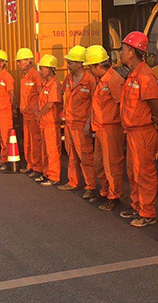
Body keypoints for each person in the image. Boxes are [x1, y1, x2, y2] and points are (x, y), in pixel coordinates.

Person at [119, 32, 158, 228]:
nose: (120, 52)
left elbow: (155, 107)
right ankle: (137, 206)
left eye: (123, 49)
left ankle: (147, 212)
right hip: (132, 131)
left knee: (144, 172)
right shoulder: (133, 75)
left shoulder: (145, 76)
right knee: (133, 172)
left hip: (143, 132)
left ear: (132, 52)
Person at [84, 45, 125, 211]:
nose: (90, 71)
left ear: (99, 66)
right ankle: (105, 191)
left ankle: (114, 196)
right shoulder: (101, 80)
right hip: (101, 127)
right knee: (100, 163)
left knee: (112, 164)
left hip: (111, 128)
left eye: (91, 68)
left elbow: (121, 105)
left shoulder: (114, 80)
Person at [59, 45, 97, 199]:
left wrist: (89, 122)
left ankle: (91, 186)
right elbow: (64, 95)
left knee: (85, 156)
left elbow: (95, 104)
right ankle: (73, 181)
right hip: (69, 122)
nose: (68, 65)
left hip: (82, 124)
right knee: (72, 154)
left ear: (80, 63)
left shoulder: (90, 81)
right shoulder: (68, 78)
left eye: (71, 62)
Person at [35, 54, 62, 187]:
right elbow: (40, 101)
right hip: (44, 122)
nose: (41, 71)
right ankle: (46, 173)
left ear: (50, 69)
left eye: (43, 68)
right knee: (44, 149)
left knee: (52, 150)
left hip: (51, 122)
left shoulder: (54, 85)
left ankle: (54, 175)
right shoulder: (46, 84)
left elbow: (50, 104)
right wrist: (37, 111)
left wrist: (40, 113)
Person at [16, 48, 43, 179]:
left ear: (29, 61)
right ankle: (30, 165)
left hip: (32, 115)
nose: (18, 64)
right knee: (27, 142)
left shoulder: (35, 76)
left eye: (20, 61)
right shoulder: (24, 76)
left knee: (35, 141)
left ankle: (37, 167)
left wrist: (36, 110)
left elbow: (40, 94)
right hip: (26, 114)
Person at [0, 50, 15, 171]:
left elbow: (11, 94)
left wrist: (13, 108)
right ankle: (2, 158)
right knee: (0, 137)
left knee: (5, 137)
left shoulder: (7, 77)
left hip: (4, 112)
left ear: (2, 63)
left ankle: (5, 160)